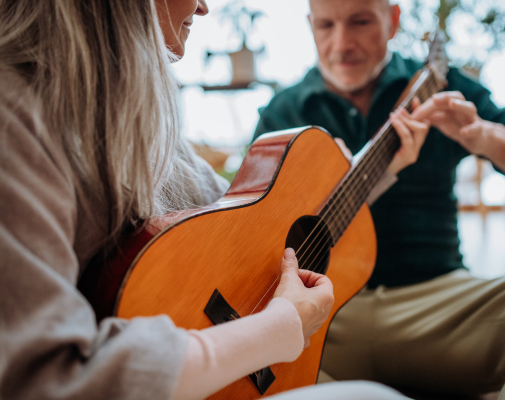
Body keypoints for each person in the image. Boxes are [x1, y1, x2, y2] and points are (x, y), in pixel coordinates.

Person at [0, 0, 418, 399]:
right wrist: (276, 328)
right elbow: (47, 379)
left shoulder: (133, 118)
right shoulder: (13, 120)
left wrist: (378, 168)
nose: (204, 7)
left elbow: (254, 222)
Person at [253, 0, 505, 398]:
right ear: (309, 25)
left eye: (360, 22)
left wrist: (482, 135)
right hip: (323, 321)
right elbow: (258, 237)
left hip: (439, 305)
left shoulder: (440, 86)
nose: (341, 43)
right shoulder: (282, 114)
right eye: (325, 25)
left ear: (393, 20)